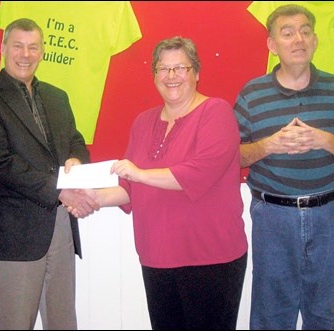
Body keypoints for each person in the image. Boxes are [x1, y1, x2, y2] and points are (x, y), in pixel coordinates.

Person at [71, 36, 248, 330]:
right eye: (163, 69)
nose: (171, 76)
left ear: (197, 73)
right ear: (154, 76)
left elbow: (197, 173)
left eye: (180, 68)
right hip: (157, 256)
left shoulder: (216, 113)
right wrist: (91, 198)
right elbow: (128, 188)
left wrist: (138, 173)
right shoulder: (143, 121)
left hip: (209, 257)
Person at [233, 4, 334, 330]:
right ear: (272, 45)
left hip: (332, 216)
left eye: (305, 31)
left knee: (329, 316)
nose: (298, 39)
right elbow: (230, 158)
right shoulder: (252, 94)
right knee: (271, 316)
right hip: (273, 219)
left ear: (314, 40)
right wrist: (271, 145)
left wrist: (323, 139)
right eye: (287, 33)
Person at [0, 18, 98, 330]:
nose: (25, 54)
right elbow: (2, 163)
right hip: (15, 232)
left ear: (42, 53)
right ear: (3, 48)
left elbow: (75, 140)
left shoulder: (57, 96)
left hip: (61, 225)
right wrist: (59, 190)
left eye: (33, 47)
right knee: (16, 323)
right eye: (18, 46)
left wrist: (77, 160)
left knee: (63, 321)